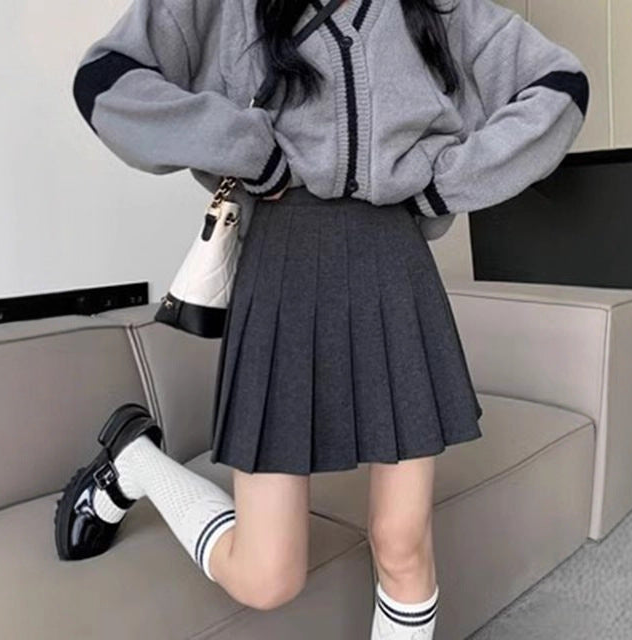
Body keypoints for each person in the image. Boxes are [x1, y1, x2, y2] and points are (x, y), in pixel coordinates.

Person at [54, 0, 589, 637]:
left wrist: (444, 185)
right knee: (267, 576)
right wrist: (251, 152)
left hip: (394, 262)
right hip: (282, 264)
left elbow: (561, 86)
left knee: (402, 544)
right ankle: (136, 462)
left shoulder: (437, 8)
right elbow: (106, 80)